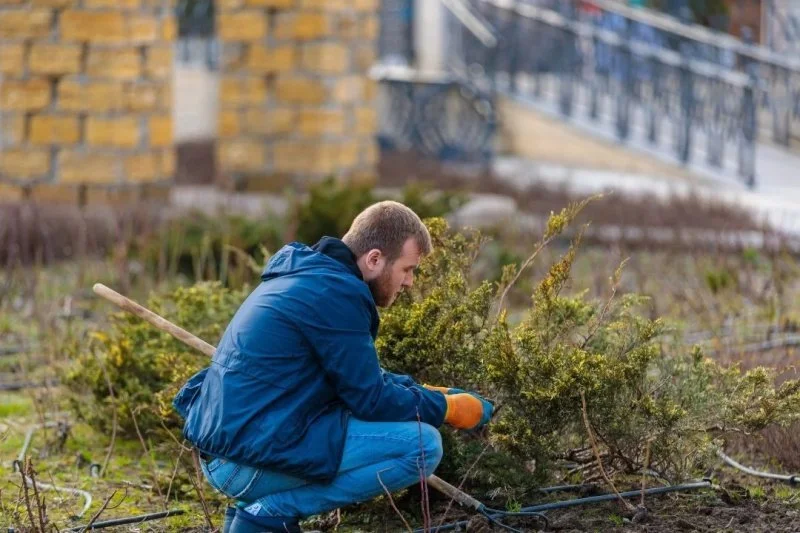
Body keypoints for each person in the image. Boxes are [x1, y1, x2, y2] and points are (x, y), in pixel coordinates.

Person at [173, 201, 494, 533]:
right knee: (422, 446)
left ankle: (248, 518)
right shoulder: (336, 294)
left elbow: (360, 379)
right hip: (244, 461)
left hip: (228, 453)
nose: (410, 282)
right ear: (374, 259)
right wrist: (449, 409)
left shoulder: (309, 278)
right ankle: (268, 513)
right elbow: (371, 399)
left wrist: (427, 393)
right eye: (407, 269)